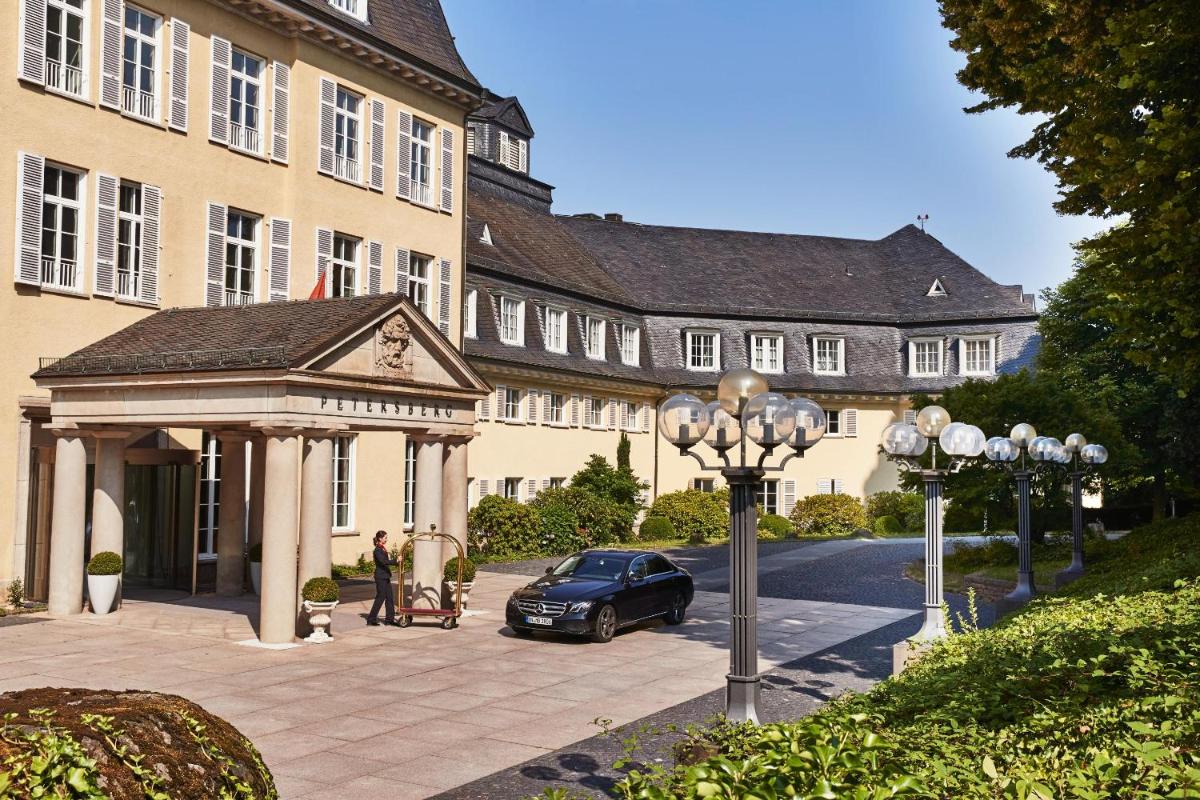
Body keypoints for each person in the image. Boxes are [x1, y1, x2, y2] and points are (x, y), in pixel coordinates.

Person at [366, 530, 397, 626]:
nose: (386, 539)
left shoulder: (382, 548)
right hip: (380, 577)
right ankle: (371, 619)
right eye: (385, 538)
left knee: (390, 598)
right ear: (380, 538)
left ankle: (389, 619)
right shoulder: (377, 550)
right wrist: (396, 561)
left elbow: (386, 561)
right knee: (380, 597)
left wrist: (395, 561)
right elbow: (384, 561)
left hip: (385, 576)